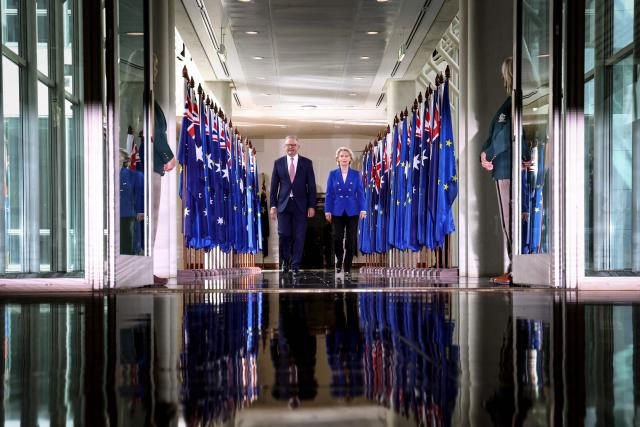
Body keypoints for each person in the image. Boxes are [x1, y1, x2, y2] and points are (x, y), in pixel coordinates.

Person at [480, 57, 531, 285]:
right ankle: (515, 269)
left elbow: (504, 136)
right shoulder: (511, 102)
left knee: (511, 222)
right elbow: (494, 135)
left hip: (506, 171)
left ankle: (516, 271)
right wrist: (485, 152)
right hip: (505, 168)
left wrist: (489, 154)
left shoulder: (514, 102)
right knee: (512, 221)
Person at [270, 136, 317, 276]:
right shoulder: (278, 163)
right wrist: (273, 205)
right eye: (288, 145)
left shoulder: (307, 163)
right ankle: (285, 262)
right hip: (283, 205)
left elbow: (312, 187)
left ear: (298, 146)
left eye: (293, 145)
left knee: (299, 236)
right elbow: (273, 187)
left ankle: (295, 265)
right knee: (284, 235)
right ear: (284, 147)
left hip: (301, 206)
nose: (291, 147)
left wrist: (311, 206)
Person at [324, 147, 366, 277]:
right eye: (341, 156)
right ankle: (339, 261)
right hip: (337, 211)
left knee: (351, 239)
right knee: (337, 238)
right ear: (337, 159)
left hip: (353, 210)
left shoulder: (356, 174)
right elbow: (329, 194)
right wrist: (327, 210)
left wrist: (363, 209)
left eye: (346, 156)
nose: (344, 158)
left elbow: (360, 193)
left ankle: (347, 265)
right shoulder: (332, 174)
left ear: (350, 159)